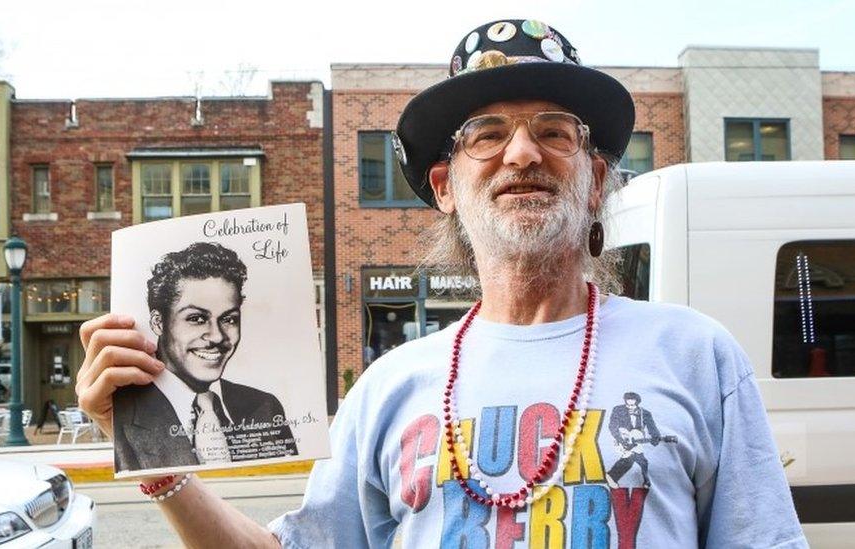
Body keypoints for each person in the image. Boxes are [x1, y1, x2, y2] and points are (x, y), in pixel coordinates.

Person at [75, 19, 806, 548]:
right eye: (487, 134)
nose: (523, 151)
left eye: (555, 131)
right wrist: (150, 446)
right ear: (445, 186)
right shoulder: (389, 387)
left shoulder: (695, 355)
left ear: (595, 180)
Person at [112, 241, 296, 473]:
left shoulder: (264, 406)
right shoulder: (123, 411)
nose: (217, 336)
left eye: (229, 319)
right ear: (158, 323)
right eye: (197, 318)